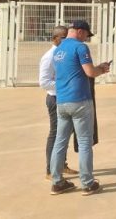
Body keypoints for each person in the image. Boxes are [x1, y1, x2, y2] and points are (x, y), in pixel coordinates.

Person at [49, 20, 110, 196]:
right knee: (84, 142)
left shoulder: (58, 49)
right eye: (86, 35)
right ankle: (88, 183)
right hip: (80, 101)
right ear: (80, 32)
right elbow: (90, 72)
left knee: (60, 142)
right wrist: (102, 68)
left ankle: (57, 182)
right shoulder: (80, 48)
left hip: (62, 101)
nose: (86, 39)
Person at [38, 25, 79, 180]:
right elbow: (44, 82)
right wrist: (64, 84)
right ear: (54, 38)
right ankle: (50, 169)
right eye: (63, 37)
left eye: (67, 37)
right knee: (56, 134)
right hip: (55, 98)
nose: (66, 40)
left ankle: (61, 164)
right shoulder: (49, 57)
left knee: (65, 133)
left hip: (66, 97)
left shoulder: (63, 53)